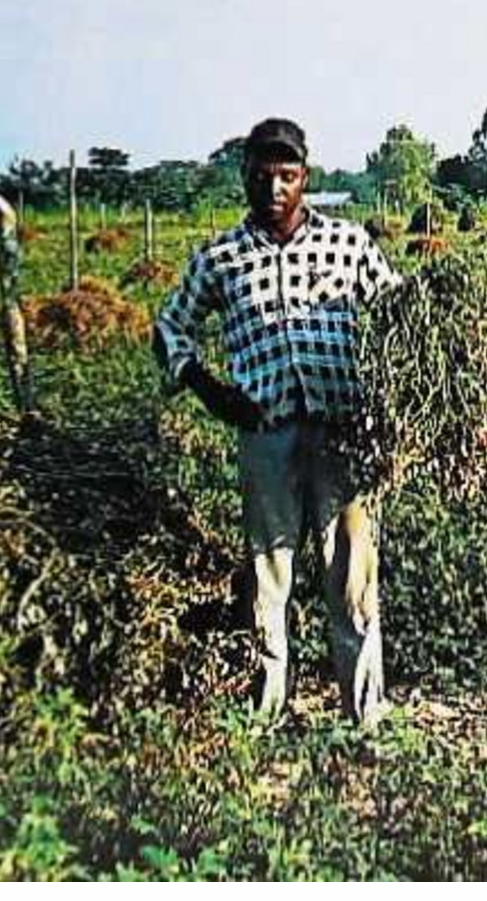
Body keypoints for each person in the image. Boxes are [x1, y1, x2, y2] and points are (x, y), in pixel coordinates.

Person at [153, 117, 401, 726]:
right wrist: (210, 390)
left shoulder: (347, 245)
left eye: (287, 176)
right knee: (270, 574)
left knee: (351, 578)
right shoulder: (220, 257)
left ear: (305, 178)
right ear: (245, 178)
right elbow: (169, 327)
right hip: (265, 433)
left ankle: (365, 718)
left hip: (342, 429)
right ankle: (264, 713)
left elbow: (399, 315)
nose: (274, 189)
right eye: (262, 176)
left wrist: (398, 402)